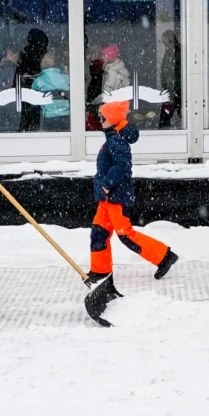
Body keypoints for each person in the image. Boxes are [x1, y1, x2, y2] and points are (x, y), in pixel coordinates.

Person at [85, 100, 179, 284]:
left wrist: (107, 183)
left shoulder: (117, 141)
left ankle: (164, 256)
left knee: (125, 235)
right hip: (106, 198)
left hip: (115, 197)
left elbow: (122, 166)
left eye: (102, 117)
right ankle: (100, 270)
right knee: (98, 233)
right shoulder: (112, 139)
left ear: (111, 120)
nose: (99, 121)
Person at [16, 28, 49, 132]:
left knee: (26, 114)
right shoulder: (34, 51)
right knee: (32, 113)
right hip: (32, 87)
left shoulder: (26, 51)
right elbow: (34, 70)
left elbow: (19, 70)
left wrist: (16, 86)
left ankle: (24, 132)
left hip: (25, 87)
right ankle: (31, 132)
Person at [32, 53, 70, 132]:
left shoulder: (38, 81)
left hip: (48, 118)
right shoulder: (67, 78)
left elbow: (33, 101)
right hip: (66, 116)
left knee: (50, 141)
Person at [159, 30, 182, 129]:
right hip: (173, 90)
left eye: (165, 40)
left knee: (165, 116)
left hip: (175, 90)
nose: (163, 42)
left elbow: (174, 73)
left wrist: (171, 88)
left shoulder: (175, 53)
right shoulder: (170, 52)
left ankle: (163, 130)